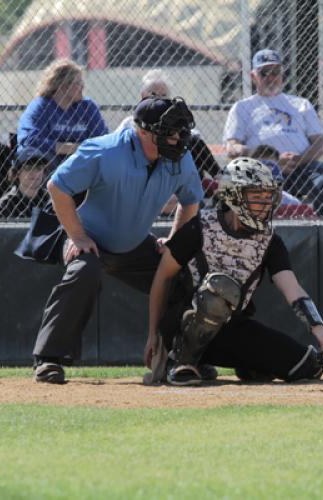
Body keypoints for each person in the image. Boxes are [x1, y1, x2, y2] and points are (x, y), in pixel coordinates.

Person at [32, 96, 204, 384]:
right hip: (90, 240)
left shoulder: (180, 158)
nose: (176, 140)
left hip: (135, 244)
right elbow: (56, 187)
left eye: (180, 132)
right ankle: (48, 360)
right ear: (143, 131)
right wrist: (77, 235)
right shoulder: (105, 151)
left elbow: (191, 203)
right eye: (169, 132)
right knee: (84, 271)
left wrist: (173, 243)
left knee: (182, 277)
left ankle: (183, 359)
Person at [144, 157, 323, 387]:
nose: (265, 204)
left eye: (268, 197)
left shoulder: (269, 240)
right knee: (219, 290)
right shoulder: (200, 227)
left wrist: (322, 334)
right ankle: (181, 360)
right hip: (182, 325)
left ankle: (247, 365)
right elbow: (163, 277)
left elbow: (294, 290)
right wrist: (153, 334)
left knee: (306, 367)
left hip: (230, 329)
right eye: (256, 197)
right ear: (232, 195)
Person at [222, 48, 323, 217]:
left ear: (282, 74)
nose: (270, 77)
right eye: (264, 73)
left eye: (275, 72)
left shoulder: (301, 104)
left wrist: (299, 160)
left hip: (299, 169)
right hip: (259, 170)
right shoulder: (242, 107)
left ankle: (320, 224)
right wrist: (269, 159)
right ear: (253, 76)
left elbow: (320, 144)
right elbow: (231, 147)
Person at [116, 69, 221, 214]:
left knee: (193, 140)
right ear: (142, 95)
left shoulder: (178, 124)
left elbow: (192, 138)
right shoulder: (130, 123)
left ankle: (219, 180)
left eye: (163, 95)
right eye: (153, 94)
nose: (158, 98)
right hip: (144, 180)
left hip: (175, 178)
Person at [17, 59, 108, 168]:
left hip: (80, 165)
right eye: (78, 83)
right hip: (47, 167)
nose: (82, 87)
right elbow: (28, 140)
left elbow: (102, 139)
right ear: (63, 86)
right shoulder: (41, 106)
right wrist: (71, 148)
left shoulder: (87, 107)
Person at [0, 147, 50, 219]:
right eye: (28, 168)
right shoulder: (3, 206)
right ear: (17, 173)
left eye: (39, 168)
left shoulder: (52, 200)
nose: (34, 173)